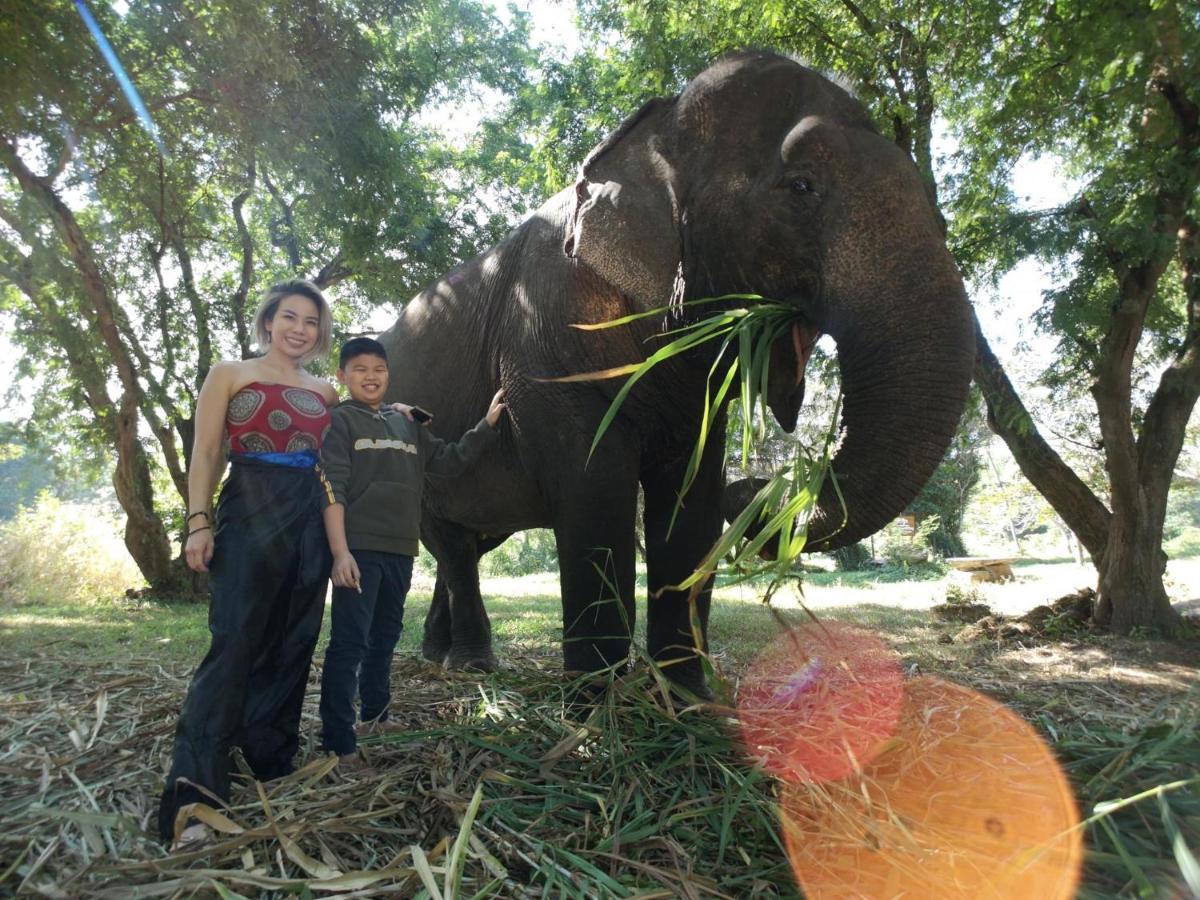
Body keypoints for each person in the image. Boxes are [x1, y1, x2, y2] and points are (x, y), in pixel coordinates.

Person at [157, 281, 417, 845]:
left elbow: (354, 429)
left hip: (311, 514)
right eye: (290, 317)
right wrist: (197, 522)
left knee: (295, 638)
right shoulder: (229, 373)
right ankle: (195, 793)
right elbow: (206, 452)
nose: (300, 329)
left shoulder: (326, 391)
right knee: (236, 638)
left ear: (320, 333)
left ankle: (269, 758)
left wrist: (392, 410)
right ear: (269, 320)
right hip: (250, 505)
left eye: (311, 322)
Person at [317, 337, 505, 768]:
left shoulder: (408, 424)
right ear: (343, 377)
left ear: (389, 374)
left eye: (378, 369)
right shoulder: (339, 422)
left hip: (401, 549)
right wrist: (340, 552)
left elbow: (450, 461)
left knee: (384, 638)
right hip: (358, 550)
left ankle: (376, 717)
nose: (370, 376)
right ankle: (337, 740)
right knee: (349, 643)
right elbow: (333, 487)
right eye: (359, 369)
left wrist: (488, 425)